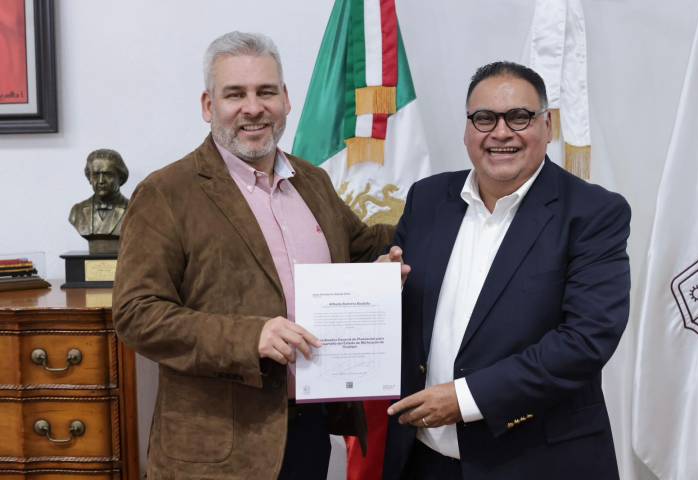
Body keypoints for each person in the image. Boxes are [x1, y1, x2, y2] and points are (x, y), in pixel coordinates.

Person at [112, 32, 393, 479]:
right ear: (209, 105)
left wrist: (445, 214)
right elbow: (136, 314)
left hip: (308, 431)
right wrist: (249, 337)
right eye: (235, 94)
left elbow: (363, 247)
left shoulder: (313, 182)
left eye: (266, 92)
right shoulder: (167, 193)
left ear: (286, 99)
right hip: (215, 452)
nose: (253, 108)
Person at [382, 61, 631, 480]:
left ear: (547, 126)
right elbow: (406, 304)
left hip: (537, 462)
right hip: (423, 459)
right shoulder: (428, 199)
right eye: (484, 118)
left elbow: (586, 340)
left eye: (519, 117)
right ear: (467, 129)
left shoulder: (593, 212)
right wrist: (380, 287)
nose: (501, 133)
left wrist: (466, 399)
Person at [68, 148, 129, 236]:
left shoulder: (133, 210)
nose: (101, 181)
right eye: (96, 175)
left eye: (108, 174)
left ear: (121, 177)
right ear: (89, 178)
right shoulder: (77, 211)